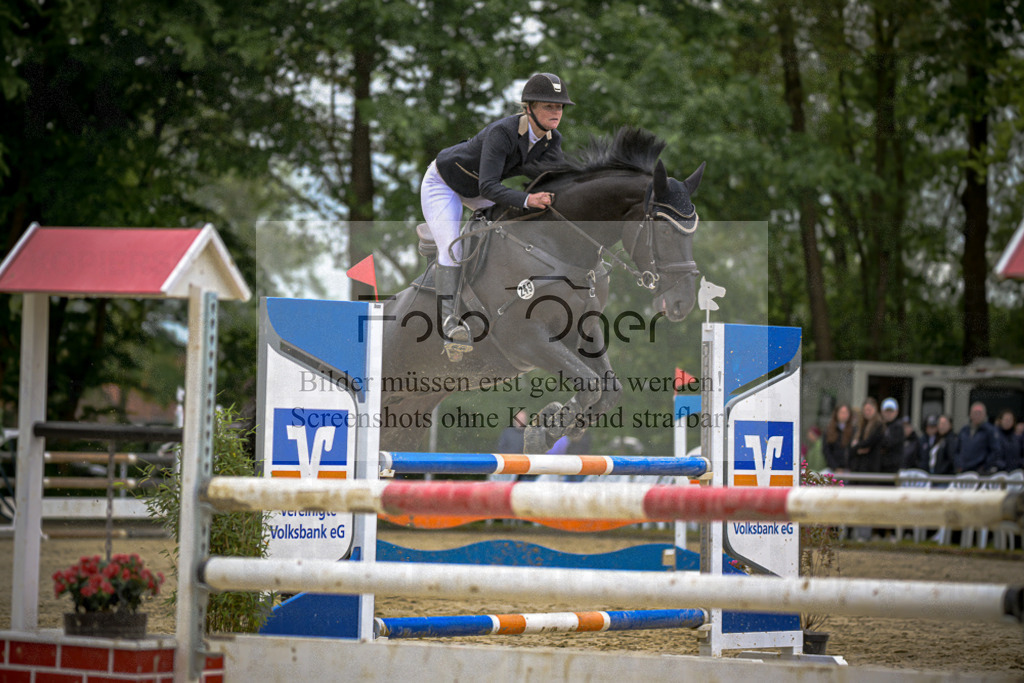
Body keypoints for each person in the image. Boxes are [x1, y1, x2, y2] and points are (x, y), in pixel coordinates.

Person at [420, 73, 574, 358]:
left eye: (560, 107)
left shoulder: (552, 141)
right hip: (444, 184)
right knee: (451, 248)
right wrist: (527, 199)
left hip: (478, 188)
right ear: (528, 108)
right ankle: (449, 323)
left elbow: (555, 182)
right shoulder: (502, 133)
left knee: (511, 228)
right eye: (548, 106)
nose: (556, 113)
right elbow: (488, 186)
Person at [955, 402, 1003, 474]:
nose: (977, 415)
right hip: (964, 470)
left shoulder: (990, 431)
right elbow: (957, 450)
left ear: (985, 415)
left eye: (979, 413)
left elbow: (995, 451)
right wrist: (958, 464)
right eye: (975, 413)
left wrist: (984, 467)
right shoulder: (964, 430)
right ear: (970, 414)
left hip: (980, 472)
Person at [849, 398, 884, 475]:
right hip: (858, 465)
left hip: (871, 466)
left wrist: (856, 447)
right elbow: (852, 446)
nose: (867, 412)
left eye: (870, 410)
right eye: (865, 410)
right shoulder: (861, 425)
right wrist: (857, 449)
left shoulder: (878, 425)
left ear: (875, 410)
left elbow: (869, 442)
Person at [823, 404, 854, 471]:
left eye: (846, 413)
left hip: (849, 470)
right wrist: (835, 467)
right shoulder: (829, 430)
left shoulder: (853, 430)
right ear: (836, 414)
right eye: (842, 413)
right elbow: (826, 451)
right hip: (833, 469)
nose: (844, 415)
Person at [878, 397, 904, 473]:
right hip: (880, 466)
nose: (888, 414)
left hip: (892, 467)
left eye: (891, 411)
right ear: (882, 412)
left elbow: (888, 443)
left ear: (896, 412)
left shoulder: (898, 427)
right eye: (886, 411)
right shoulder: (879, 426)